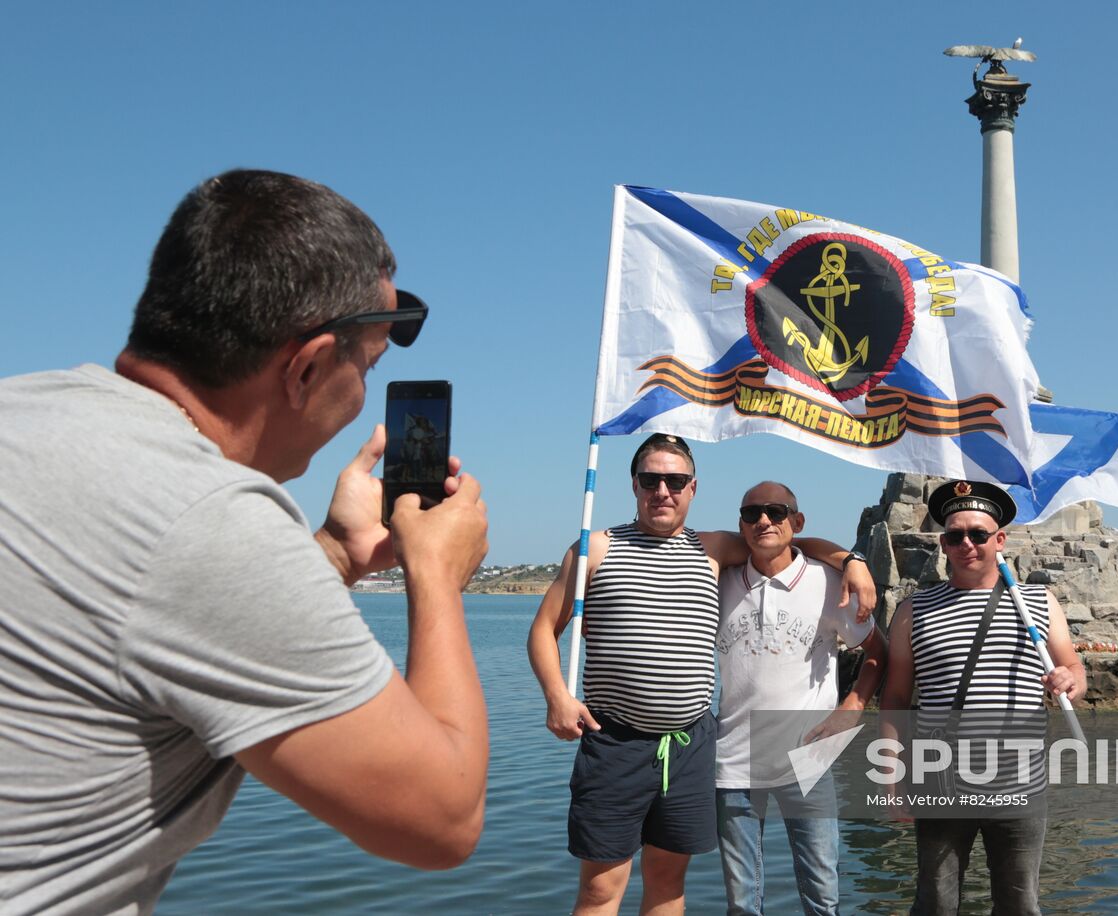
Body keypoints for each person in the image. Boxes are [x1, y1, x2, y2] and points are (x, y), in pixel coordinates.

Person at [0, 169, 491, 914]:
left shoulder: (26, 411)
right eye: (366, 368)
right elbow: (442, 820)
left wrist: (333, 552)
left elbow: (155, 615)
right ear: (307, 367)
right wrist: (435, 572)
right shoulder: (207, 517)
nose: (360, 395)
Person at [527, 434, 875, 916]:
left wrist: (852, 561)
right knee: (599, 891)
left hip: (689, 748)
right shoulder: (596, 549)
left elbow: (786, 539)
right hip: (615, 745)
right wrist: (557, 697)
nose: (662, 490)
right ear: (634, 485)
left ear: (693, 488)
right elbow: (544, 629)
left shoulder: (711, 548)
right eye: (651, 479)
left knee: (669, 886)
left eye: (675, 480)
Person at [880, 480, 1085, 916]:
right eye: (955, 535)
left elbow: (1074, 670)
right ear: (943, 543)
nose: (966, 544)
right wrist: (893, 777)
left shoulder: (1037, 601)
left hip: (1019, 783)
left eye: (978, 534)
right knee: (935, 901)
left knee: (1019, 903)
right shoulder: (914, 608)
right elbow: (896, 697)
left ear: (1000, 539)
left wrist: (1070, 680)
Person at [715, 481, 888, 916]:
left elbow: (877, 652)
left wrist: (852, 708)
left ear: (797, 521)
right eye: (752, 513)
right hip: (732, 761)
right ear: (740, 524)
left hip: (809, 758)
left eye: (776, 512)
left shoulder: (828, 583)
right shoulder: (716, 584)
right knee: (741, 902)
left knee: (821, 897)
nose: (763, 521)